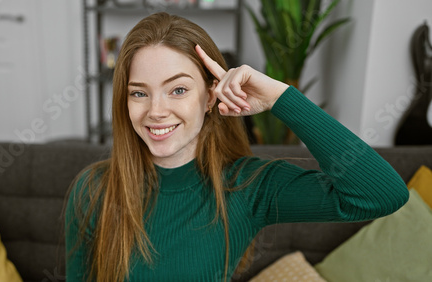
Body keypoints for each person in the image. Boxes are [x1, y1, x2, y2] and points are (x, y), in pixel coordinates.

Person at [65, 12, 409, 282]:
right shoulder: (93, 189)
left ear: (210, 97)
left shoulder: (248, 186)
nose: (156, 111)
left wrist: (280, 98)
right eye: (139, 92)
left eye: (178, 90)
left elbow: (381, 195)